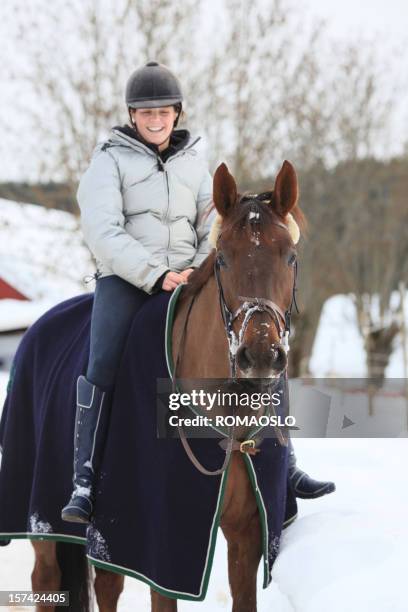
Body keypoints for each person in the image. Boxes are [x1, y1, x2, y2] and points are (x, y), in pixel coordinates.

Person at [61, 61, 334, 525]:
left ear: (176, 113)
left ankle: (285, 465)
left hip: (192, 272)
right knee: (103, 358)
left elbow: (213, 219)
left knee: (262, 340)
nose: (155, 120)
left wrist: (215, 254)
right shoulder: (107, 160)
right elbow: (102, 230)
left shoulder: (194, 160)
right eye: (145, 113)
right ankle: (84, 478)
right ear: (132, 115)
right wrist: (154, 273)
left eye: (163, 112)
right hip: (127, 278)